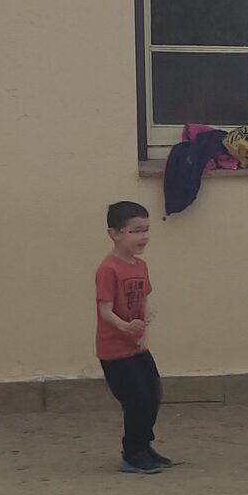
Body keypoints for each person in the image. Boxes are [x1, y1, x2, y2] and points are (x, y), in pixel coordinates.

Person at [98, 200, 169, 475]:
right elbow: (105, 311)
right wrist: (124, 327)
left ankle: (144, 446)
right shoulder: (108, 269)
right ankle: (132, 453)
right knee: (136, 400)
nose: (143, 237)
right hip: (114, 350)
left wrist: (144, 329)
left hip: (137, 346)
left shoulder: (140, 266)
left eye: (146, 230)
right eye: (136, 231)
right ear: (115, 234)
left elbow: (144, 301)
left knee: (152, 395)